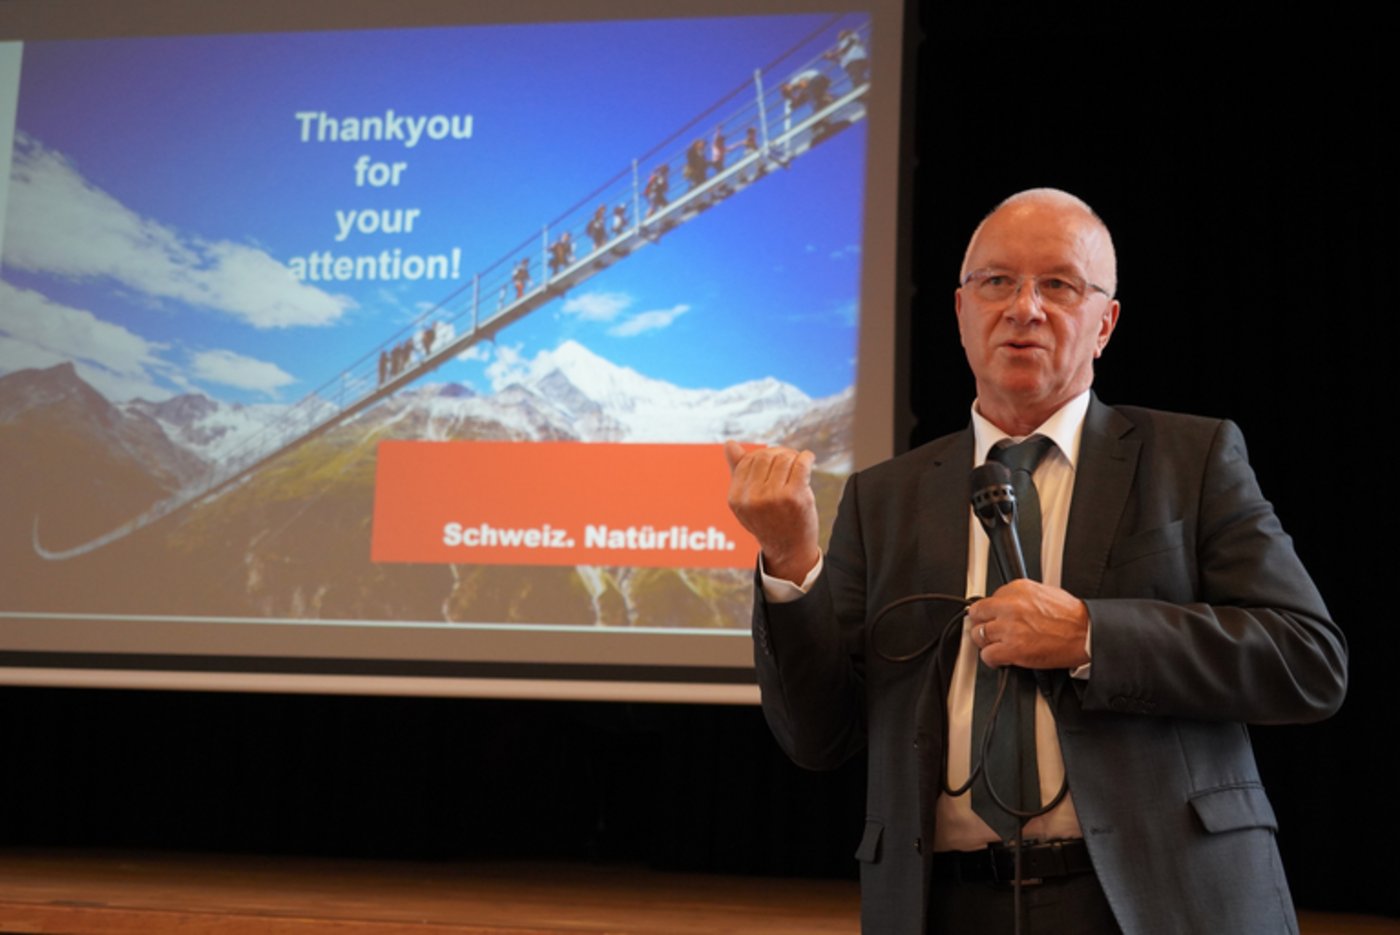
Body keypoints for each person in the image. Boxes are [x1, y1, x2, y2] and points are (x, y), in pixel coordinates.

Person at [725, 188, 1346, 935]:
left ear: (1104, 322)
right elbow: (819, 735)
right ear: (960, 311)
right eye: (997, 282)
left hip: (1160, 898)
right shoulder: (880, 498)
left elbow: (1309, 659)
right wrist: (790, 558)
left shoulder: (1193, 458)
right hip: (941, 903)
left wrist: (1093, 634)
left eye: (1059, 284)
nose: (1025, 307)